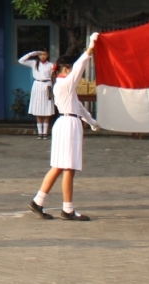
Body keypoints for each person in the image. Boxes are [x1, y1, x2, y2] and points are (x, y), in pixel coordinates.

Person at [29, 37, 98, 222]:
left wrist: (92, 121)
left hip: (67, 123)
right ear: (65, 68)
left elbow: (79, 107)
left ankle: (38, 200)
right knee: (68, 167)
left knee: (60, 166)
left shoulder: (63, 85)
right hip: (68, 125)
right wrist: (90, 48)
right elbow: (80, 68)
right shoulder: (65, 83)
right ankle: (67, 209)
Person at [18, 50, 56, 139]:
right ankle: (40, 132)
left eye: (44, 54)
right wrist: (33, 53)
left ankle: (45, 132)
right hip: (37, 85)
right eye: (41, 55)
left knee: (47, 110)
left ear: (48, 55)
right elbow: (21, 60)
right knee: (38, 110)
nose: (42, 56)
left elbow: (53, 76)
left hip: (47, 85)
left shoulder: (51, 65)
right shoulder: (34, 63)